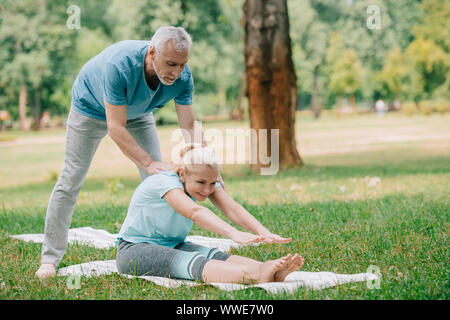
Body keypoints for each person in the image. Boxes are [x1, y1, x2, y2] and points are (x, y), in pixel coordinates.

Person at [35, 26, 215, 279]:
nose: (177, 72)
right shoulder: (120, 66)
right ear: (152, 52)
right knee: (71, 179)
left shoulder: (182, 79)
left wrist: (206, 165)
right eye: (171, 63)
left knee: (159, 182)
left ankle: (157, 244)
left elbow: (189, 126)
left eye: (182, 65)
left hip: (139, 114)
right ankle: (49, 259)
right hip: (90, 109)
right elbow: (115, 128)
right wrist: (150, 162)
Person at [115, 144, 304, 284]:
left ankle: (268, 271)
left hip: (174, 244)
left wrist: (264, 231)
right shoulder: (164, 183)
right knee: (194, 261)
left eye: (212, 183)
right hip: (134, 250)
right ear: (182, 174)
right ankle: (254, 276)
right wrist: (233, 233)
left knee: (215, 256)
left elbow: (233, 209)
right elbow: (194, 211)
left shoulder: (205, 178)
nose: (207, 190)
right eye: (201, 183)